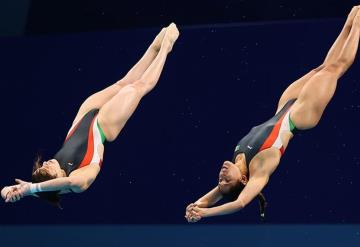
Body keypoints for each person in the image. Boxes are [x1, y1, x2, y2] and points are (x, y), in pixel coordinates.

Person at [185, 6, 360, 222]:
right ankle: (359, 23)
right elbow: (239, 202)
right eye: (225, 181)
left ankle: (351, 21)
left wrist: (195, 206)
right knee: (336, 68)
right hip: (299, 117)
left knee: (324, 67)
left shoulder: (236, 165)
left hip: (284, 106)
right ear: (242, 179)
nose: (220, 178)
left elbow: (216, 194)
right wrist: (206, 213)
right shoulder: (259, 170)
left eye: (220, 182)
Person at [1, 23, 179, 207]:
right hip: (103, 127)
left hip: (82, 118)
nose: (46, 163)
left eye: (43, 167)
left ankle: (155, 47)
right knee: (138, 87)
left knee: (122, 83)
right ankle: (166, 48)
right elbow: (66, 183)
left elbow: (6, 190)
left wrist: (12, 192)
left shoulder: (44, 189)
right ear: (57, 178)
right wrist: (31, 189)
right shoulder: (78, 181)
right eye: (47, 170)